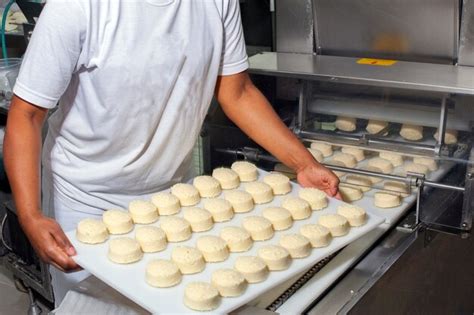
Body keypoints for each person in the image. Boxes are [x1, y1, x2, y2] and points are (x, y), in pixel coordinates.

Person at [3, 0, 340, 306]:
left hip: (173, 198)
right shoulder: (77, 7)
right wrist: (31, 214)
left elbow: (237, 93)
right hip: (87, 202)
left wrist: (303, 163)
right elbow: (27, 115)